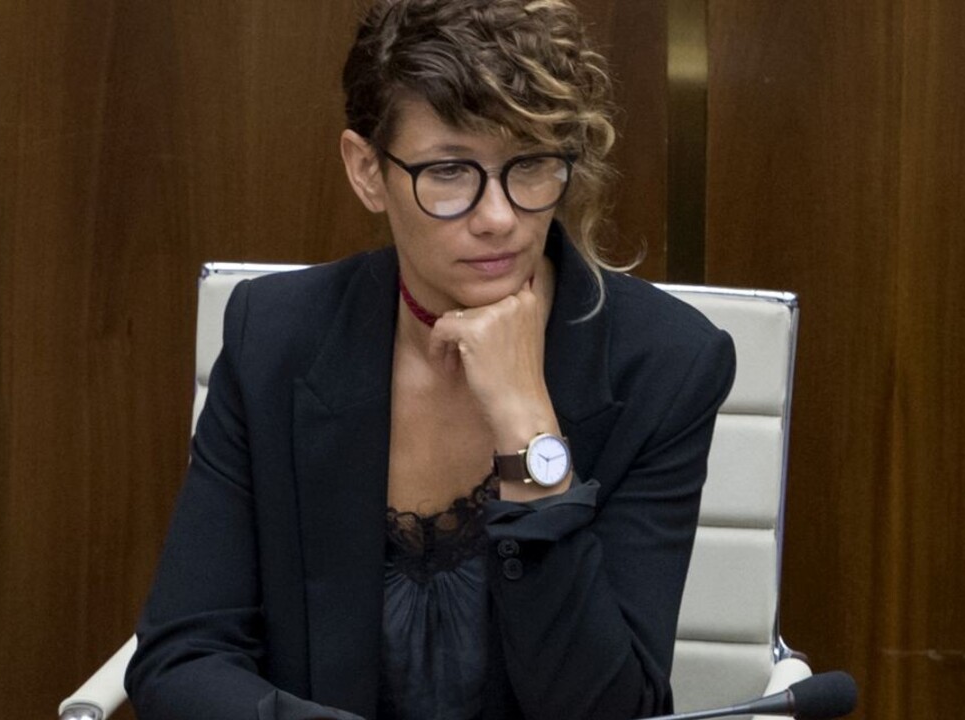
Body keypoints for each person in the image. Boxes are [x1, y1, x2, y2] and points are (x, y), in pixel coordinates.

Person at [124, 1, 736, 718]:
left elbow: (606, 708)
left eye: (531, 164)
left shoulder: (666, 366)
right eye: (449, 170)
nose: (499, 217)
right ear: (367, 171)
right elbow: (182, 657)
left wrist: (528, 430)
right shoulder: (277, 338)